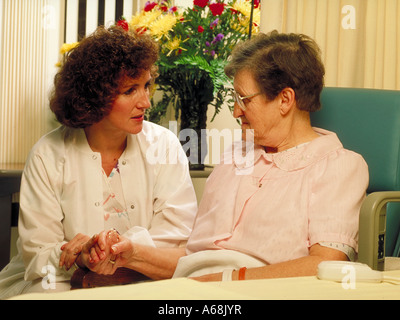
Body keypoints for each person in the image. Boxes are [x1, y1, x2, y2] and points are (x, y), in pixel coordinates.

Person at [0, 25, 197, 299]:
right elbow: (38, 254)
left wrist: (112, 248)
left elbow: (178, 239)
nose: (146, 102)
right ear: (96, 95)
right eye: (130, 90)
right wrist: (81, 256)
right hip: (56, 283)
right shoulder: (47, 155)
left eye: (147, 86)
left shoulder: (164, 146)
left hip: (144, 280)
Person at [173, 31, 369, 281]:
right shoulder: (236, 154)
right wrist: (133, 255)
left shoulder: (338, 167)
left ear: (285, 100)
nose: (235, 112)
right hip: (188, 287)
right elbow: (194, 259)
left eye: (243, 99)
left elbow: (324, 265)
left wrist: (223, 281)